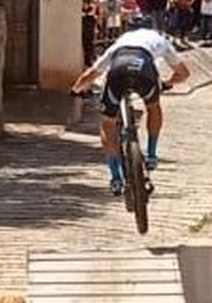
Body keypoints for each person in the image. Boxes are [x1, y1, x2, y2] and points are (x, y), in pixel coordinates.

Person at [70, 15, 191, 194]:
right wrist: (166, 83)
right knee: (153, 107)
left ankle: (115, 177)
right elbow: (184, 73)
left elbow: (91, 74)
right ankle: (151, 154)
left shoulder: (120, 42)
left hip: (119, 66)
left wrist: (75, 90)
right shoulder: (160, 40)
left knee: (107, 122)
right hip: (145, 68)